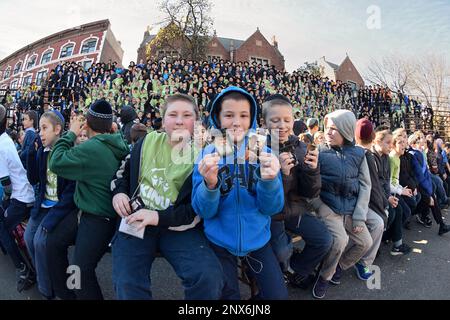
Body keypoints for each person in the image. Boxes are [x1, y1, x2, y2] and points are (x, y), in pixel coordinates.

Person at [111, 94, 224, 300]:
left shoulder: (204, 157)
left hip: (180, 228)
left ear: (195, 122)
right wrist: (118, 192)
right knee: (128, 282)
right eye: (173, 114)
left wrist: (157, 217)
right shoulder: (146, 141)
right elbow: (122, 174)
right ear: (163, 120)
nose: (179, 120)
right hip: (136, 221)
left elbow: (195, 210)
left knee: (209, 277)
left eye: (186, 115)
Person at [192, 87, 288, 300]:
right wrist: (209, 185)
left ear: (252, 118)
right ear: (217, 117)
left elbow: (271, 208)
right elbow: (203, 211)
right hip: (218, 240)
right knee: (229, 296)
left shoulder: (265, 152)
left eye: (244, 115)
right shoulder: (206, 154)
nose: (236, 122)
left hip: (258, 239)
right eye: (229, 115)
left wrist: (270, 182)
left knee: (278, 296)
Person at [49, 100, 130, 299]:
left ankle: (73, 292)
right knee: (53, 243)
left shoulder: (93, 148)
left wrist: (71, 132)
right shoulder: (115, 140)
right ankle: (68, 294)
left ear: (88, 124)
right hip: (93, 212)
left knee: (79, 270)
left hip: (97, 218)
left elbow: (56, 162)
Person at [261, 95, 332, 289]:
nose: (282, 125)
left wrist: (312, 170)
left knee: (324, 240)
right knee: (281, 251)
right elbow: (267, 200)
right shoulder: (260, 151)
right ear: (264, 122)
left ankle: (294, 271)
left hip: (295, 210)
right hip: (272, 215)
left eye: (287, 119)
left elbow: (311, 193)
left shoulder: (301, 148)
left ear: (293, 120)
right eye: (275, 120)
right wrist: (282, 174)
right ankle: (283, 270)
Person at [312, 110, 373, 299]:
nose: (328, 133)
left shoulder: (359, 154)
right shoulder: (320, 151)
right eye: (327, 128)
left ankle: (339, 265)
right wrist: (317, 204)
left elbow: (365, 186)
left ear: (346, 131)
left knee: (366, 242)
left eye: (334, 129)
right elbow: (312, 184)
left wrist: (359, 216)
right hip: (327, 206)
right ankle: (324, 277)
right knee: (340, 241)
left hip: (351, 208)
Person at [24, 110, 77, 299]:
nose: (40, 133)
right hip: (43, 206)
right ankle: (44, 279)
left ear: (58, 129)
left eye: (44, 128)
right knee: (28, 238)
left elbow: (70, 192)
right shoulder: (41, 152)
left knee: (40, 242)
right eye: (39, 129)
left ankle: (48, 289)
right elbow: (33, 179)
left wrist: (52, 219)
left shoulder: (68, 153)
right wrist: (31, 153)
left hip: (59, 208)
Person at [0, 104, 36, 292]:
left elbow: (6, 184)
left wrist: (6, 204)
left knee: (2, 229)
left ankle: (23, 269)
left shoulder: (1, 145)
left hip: (21, 198)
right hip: (22, 193)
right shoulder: (5, 138)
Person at [354, 119, 387, 279]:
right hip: (358, 203)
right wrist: (383, 207)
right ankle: (363, 262)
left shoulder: (359, 152)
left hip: (359, 201)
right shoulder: (366, 155)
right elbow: (372, 189)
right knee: (379, 222)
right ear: (373, 136)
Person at [373, 127, 412, 255]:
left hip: (387, 194)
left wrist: (395, 192)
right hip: (376, 198)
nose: (391, 145)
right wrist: (391, 196)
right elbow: (376, 184)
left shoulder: (386, 158)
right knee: (396, 212)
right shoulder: (377, 158)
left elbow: (387, 181)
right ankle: (382, 241)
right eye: (388, 142)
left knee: (401, 210)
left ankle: (392, 241)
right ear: (378, 141)